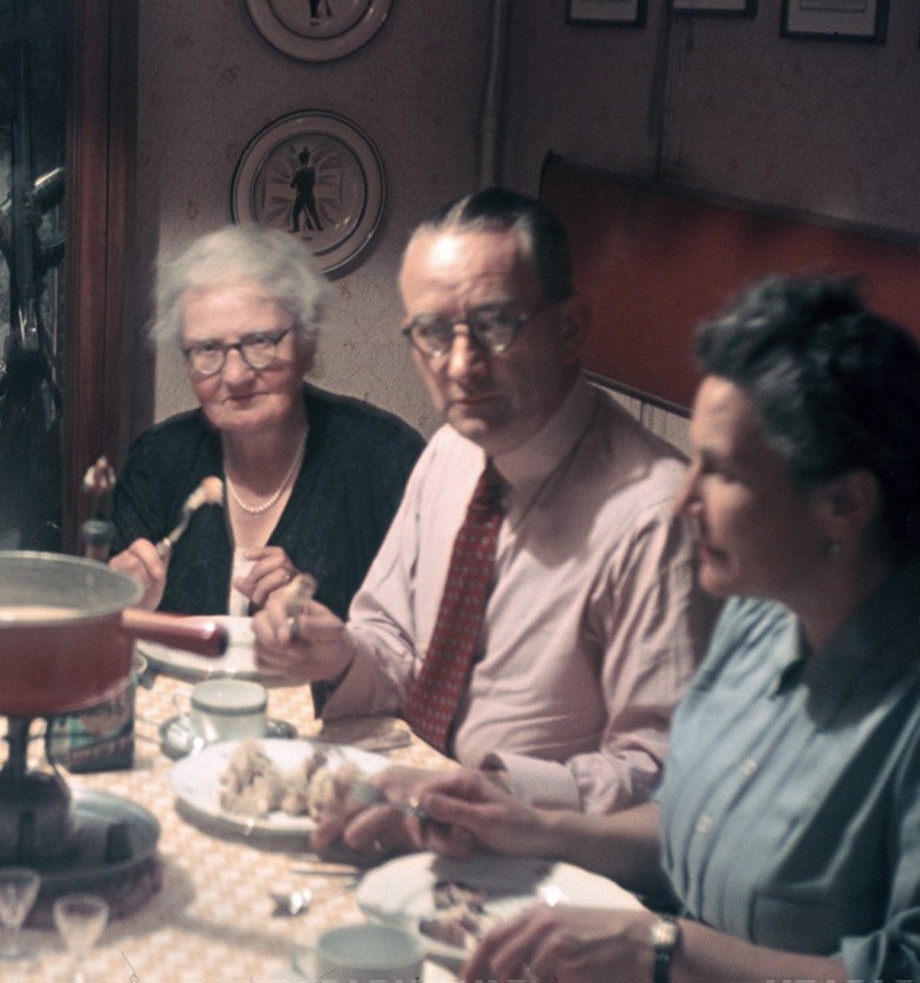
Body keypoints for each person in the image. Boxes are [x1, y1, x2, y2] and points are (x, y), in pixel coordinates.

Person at [357, 276, 920, 983]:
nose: (684, 496)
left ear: (843, 503)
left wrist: (660, 949)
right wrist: (533, 826)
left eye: (721, 471)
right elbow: (693, 833)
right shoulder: (757, 613)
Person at [257, 188, 715, 815]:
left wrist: (499, 795)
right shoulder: (451, 451)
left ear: (570, 328)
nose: (462, 364)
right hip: (415, 798)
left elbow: (664, 776)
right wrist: (334, 651)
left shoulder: (656, 518)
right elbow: (391, 643)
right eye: (434, 332)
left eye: (497, 325)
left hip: (551, 856)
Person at [109, 225, 424, 621]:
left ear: (306, 344)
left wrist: (315, 617)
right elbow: (104, 642)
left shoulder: (387, 460)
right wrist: (116, 602)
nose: (236, 375)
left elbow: (423, 641)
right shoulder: (156, 462)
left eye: (260, 342)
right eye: (208, 348)